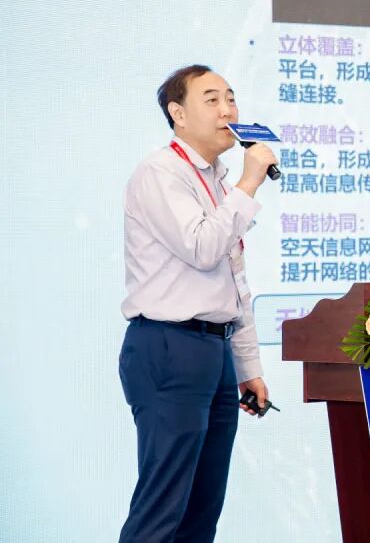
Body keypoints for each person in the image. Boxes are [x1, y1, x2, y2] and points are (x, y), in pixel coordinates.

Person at [117, 64, 278, 542]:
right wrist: (249, 184)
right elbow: (203, 248)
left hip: (215, 351)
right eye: (212, 99)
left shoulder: (218, 181)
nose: (228, 110)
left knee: (201, 511)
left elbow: (234, 282)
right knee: (163, 508)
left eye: (231, 98)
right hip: (169, 346)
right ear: (178, 113)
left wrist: (247, 366)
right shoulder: (160, 172)